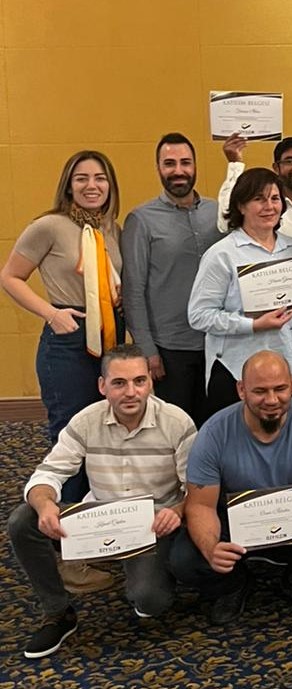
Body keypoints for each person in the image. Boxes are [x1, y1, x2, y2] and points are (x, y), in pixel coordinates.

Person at [7, 345, 195, 658]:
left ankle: (138, 574)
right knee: (22, 519)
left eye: (139, 381)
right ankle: (57, 611)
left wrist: (177, 511)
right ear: (102, 386)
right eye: (119, 383)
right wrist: (45, 504)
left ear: (150, 382)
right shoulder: (86, 420)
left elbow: (197, 489)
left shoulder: (177, 422)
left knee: (150, 601)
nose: (131, 392)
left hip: (152, 526)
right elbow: (48, 473)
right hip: (96, 518)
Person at [171, 351, 292, 623]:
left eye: (280, 389)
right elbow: (201, 505)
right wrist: (212, 548)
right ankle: (234, 585)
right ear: (241, 390)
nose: (272, 400)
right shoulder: (214, 432)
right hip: (235, 527)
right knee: (184, 558)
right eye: (260, 391)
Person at [2, 151, 125, 562]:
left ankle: (97, 532)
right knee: (70, 441)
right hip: (68, 341)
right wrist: (51, 314)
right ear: (68, 185)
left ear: (110, 184)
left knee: (104, 437)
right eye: (81, 178)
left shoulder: (111, 228)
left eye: (100, 178)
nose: (92, 185)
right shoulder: (50, 226)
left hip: (109, 341)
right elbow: (10, 277)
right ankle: (67, 550)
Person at [188, 168, 292, 417]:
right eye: (259, 199)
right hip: (233, 371)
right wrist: (253, 325)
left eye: (275, 198)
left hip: (283, 372)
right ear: (241, 205)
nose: (269, 206)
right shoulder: (222, 254)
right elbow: (199, 316)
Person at [121, 133, 222, 424]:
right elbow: (133, 291)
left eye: (185, 162)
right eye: (169, 163)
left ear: (195, 166)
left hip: (218, 342)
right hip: (170, 349)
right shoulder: (141, 220)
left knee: (217, 425)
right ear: (158, 168)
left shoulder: (218, 212)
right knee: (175, 428)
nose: (178, 170)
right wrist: (147, 350)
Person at [218, 134, 292, 248]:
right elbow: (226, 225)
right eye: (290, 161)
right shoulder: (266, 207)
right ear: (276, 167)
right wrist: (235, 163)